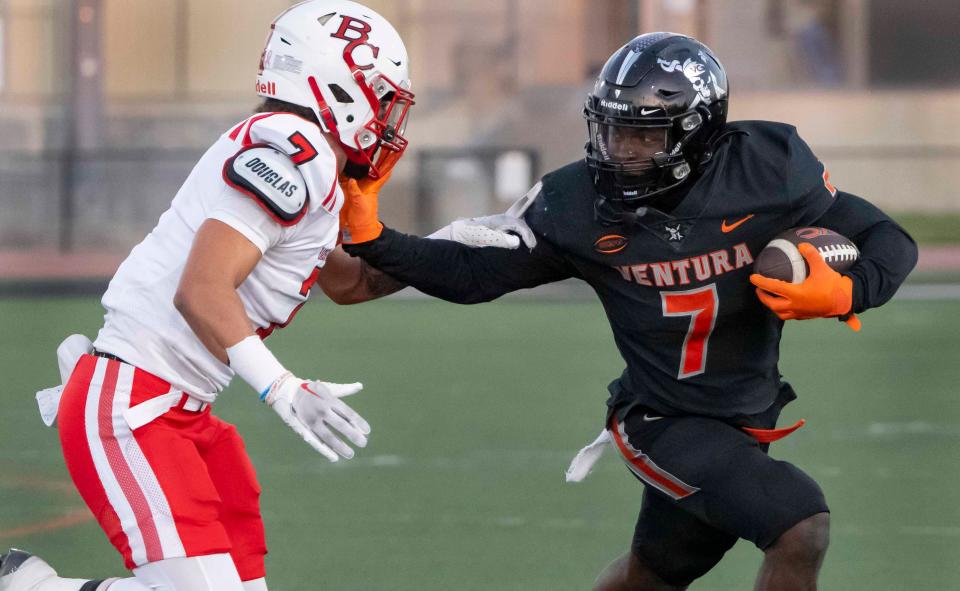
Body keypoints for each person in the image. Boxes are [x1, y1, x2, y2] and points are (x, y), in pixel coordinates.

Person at [330, 33, 918, 590]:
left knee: (659, 572)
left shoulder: (766, 167)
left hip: (744, 415)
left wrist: (849, 292)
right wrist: (374, 238)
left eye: (643, 137)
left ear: (698, 133)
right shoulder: (574, 204)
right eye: (611, 132)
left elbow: (886, 238)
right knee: (799, 523)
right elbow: (474, 275)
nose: (620, 151)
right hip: (661, 421)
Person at [0, 1, 509, 590]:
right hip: (133, 406)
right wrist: (281, 386)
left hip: (177, 409)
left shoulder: (305, 157)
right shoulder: (296, 152)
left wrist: (443, 248)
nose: (387, 114)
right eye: (379, 94)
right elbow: (202, 288)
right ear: (337, 86)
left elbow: (347, 283)